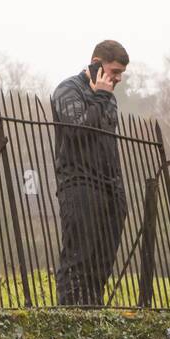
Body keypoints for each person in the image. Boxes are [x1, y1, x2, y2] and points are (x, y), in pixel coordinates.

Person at [51, 40, 130, 305]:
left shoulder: (111, 99)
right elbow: (77, 131)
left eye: (121, 74)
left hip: (110, 188)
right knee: (78, 260)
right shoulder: (67, 90)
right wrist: (100, 96)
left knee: (101, 262)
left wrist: (118, 190)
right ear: (96, 62)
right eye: (114, 71)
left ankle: (93, 312)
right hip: (79, 184)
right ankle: (72, 316)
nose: (117, 79)